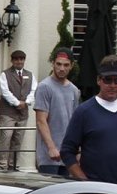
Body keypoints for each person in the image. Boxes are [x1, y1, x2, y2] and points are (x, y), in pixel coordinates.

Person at [59, 56, 117, 187]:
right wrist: (85, 183)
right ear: (98, 80)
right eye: (107, 80)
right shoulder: (84, 111)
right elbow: (67, 151)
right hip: (95, 190)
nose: (113, 85)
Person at [33, 48, 81, 176]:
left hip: (68, 154)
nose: (61, 68)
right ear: (53, 63)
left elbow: (75, 122)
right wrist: (51, 147)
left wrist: (77, 150)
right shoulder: (45, 87)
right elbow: (41, 120)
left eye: (66, 65)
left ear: (71, 66)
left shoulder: (74, 90)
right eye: (58, 64)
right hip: (49, 156)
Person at [0, 49, 36, 171]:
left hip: (23, 113)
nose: (19, 61)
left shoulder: (30, 74)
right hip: (7, 112)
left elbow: (34, 90)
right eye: (16, 59)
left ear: (24, 60)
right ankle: (0, 165)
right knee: (6, 138)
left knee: (18, 140)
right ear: (12, 60)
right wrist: (17, 103)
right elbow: (5, 92)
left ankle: (13, 165)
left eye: (21, 59)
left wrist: (27, 102)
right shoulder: (5, 74)